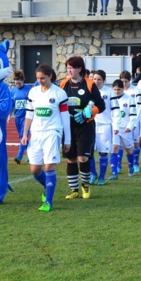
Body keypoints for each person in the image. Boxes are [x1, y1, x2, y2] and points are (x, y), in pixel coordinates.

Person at [22, 64, 70, 212]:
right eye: (37, 78)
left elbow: (65, 117)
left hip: (52, 132)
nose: (40, 81)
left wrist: (67, 139)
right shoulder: (33, 92)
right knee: (35, 170)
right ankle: (48, 186)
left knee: (49, 166)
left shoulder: (59, 94)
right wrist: (25, 134)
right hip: (36, 133)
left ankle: (48, 201)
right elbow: (29, 114)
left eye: (42, 78)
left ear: (50, 76)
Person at [60, 56, 105, 200]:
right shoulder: (63, 85)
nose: (69, 70)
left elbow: (101, 105)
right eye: (67, 68)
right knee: (71, 158)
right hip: (68, 126)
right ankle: (74, 190)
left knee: (83, 158)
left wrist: (90, 112)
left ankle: (85, 185)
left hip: (85, 126)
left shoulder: (89, 84)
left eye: (72, 68)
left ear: (79, 68)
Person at [89, 70, 116, 185]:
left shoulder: (109, 92)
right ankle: (93, 173)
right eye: (94, 79)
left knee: (103, 153)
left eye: (99, 79)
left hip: (105, 126)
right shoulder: (89, 92)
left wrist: (115, 124)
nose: (96, 81)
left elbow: (115, 110)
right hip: (90, 125)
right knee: (89, 152)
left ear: (103, 80)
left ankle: (101, 177)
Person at [111, 79, 138, 178]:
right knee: (114, 148)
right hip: (115, 129)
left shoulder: (129, 99)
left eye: (119, 89)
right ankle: (114, 172)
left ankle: (131, 167)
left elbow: (133, 115)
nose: (116, 91)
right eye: (115, 89)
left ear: (123, 89)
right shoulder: (112, 99)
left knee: (129, 150)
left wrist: (130, 126)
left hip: (126, 129)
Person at [9, 70, 32, 164]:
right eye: (15, 82)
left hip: (26, 117)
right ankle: (31, 154)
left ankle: (19, 156)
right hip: (17, 117)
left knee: (24, 135)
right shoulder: (13, 91)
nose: (17, 84)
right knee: (21, 136)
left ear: (22, 80)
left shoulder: (29, 89)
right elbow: (11, 104)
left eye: (18, 82)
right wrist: (9, 115)